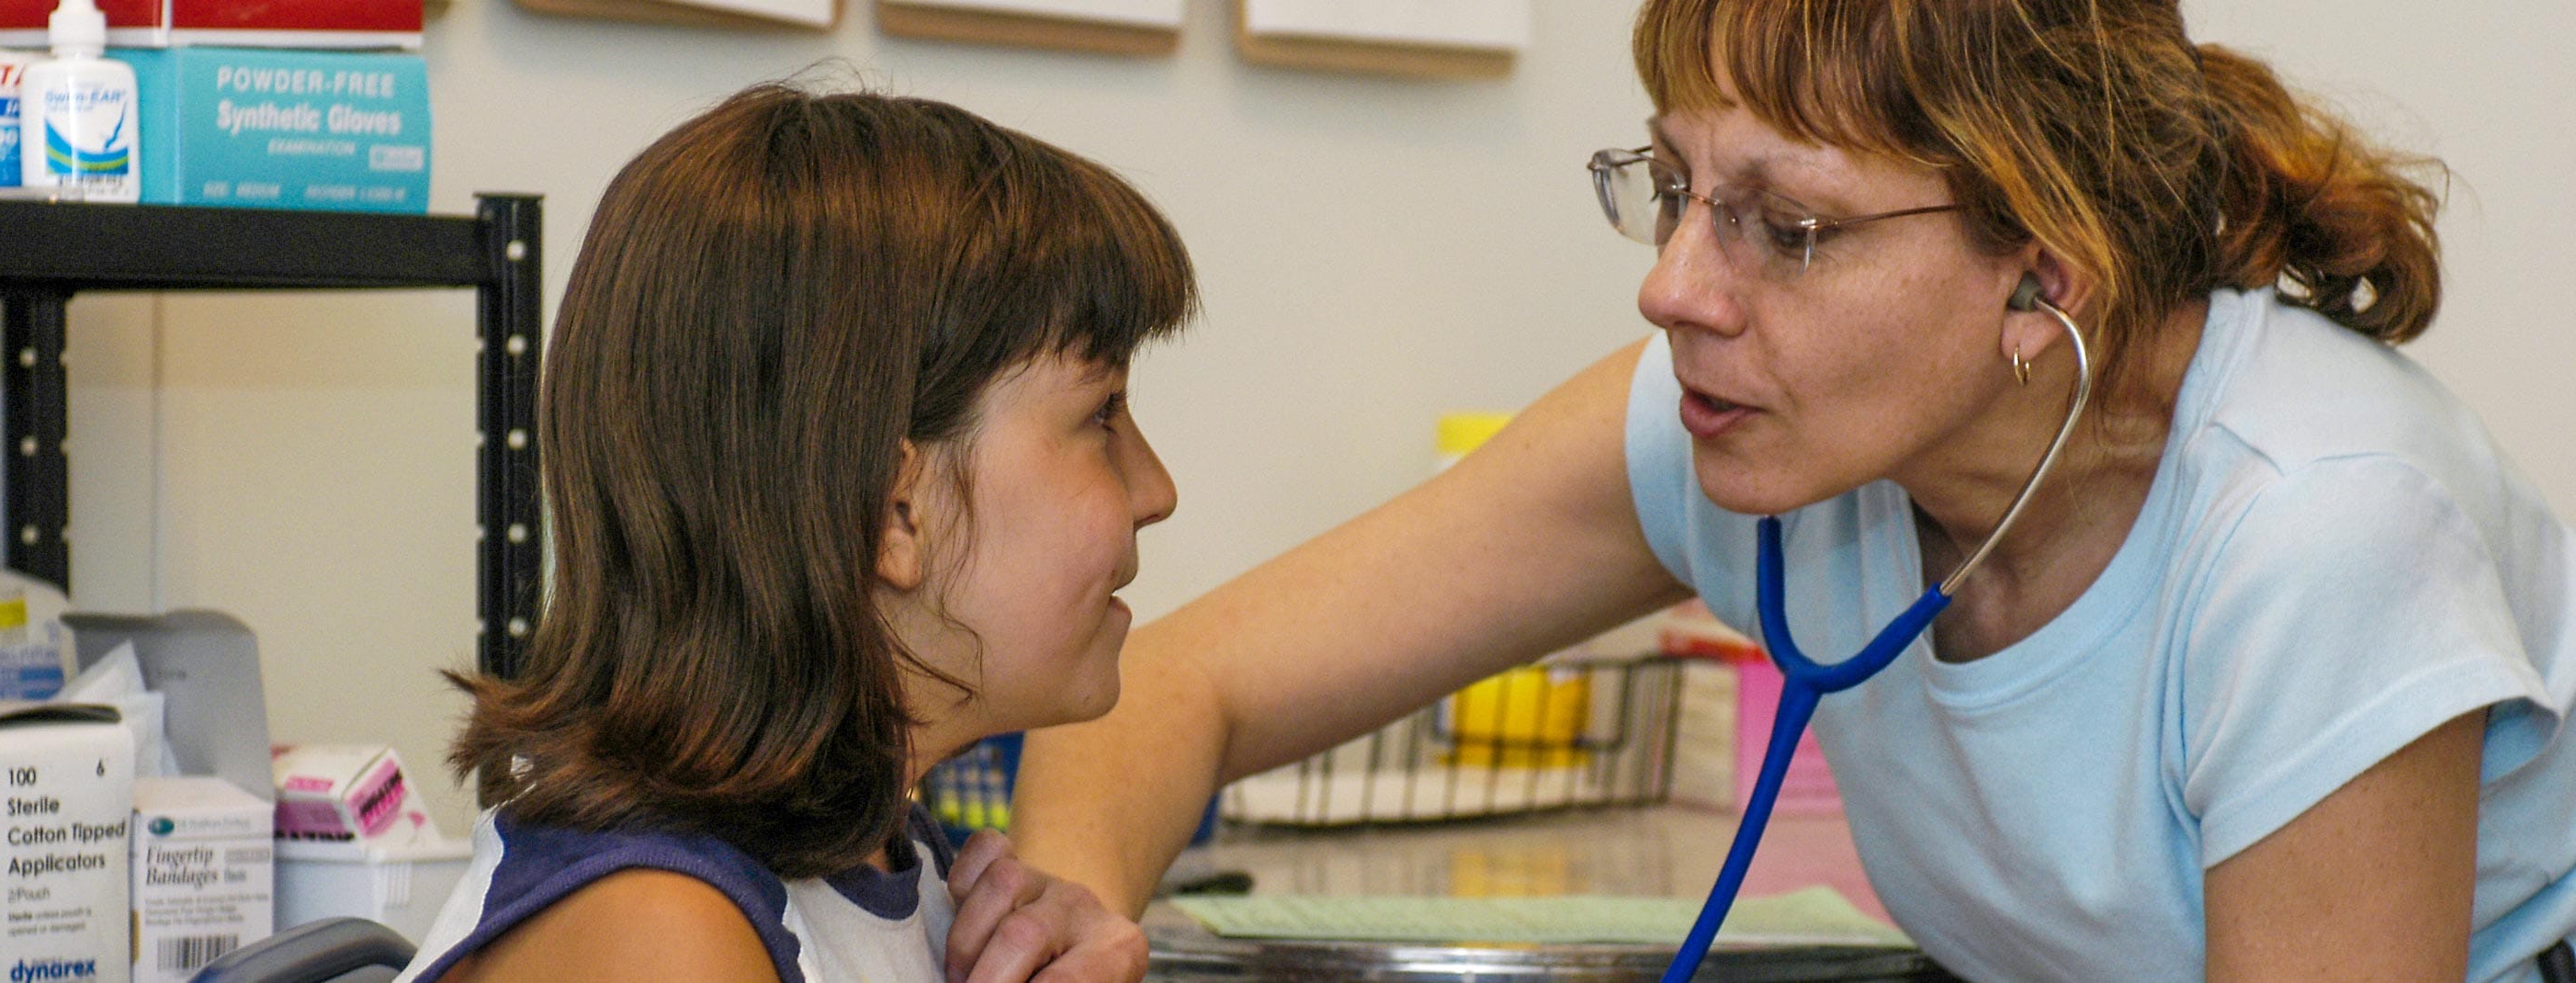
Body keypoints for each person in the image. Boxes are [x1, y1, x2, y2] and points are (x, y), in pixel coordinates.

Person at [1010, 1, 2576, 980]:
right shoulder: (1749, 426)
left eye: (1791, 228)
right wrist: (1064, 904)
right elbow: (1183, 683)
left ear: (2044, 275)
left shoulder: (2316, 527)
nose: (1674, 290)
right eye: (1676, 190)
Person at [398, 81, 1192, 983]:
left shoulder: (898, 858)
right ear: (897, 513)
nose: (1156, 489)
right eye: (1103, 413)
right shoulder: (656, 934)